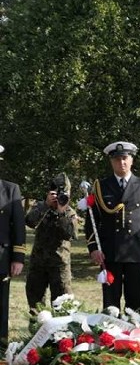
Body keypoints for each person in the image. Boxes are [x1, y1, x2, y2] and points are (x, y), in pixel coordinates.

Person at [84, 141, 140, 311]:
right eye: (117, 159)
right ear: (111, 162)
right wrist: (93, 248)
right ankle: (110, 334)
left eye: (125, 158)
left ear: (132, 160)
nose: (121, 163)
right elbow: (92, 220)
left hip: (136, 250)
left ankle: (135, 335)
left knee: (135, 300)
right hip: (110, 250)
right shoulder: (101, 186)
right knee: (111, 302)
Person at [24, 173, 78, 309]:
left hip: (60, 265)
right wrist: (46, 205)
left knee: (62, 306)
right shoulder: (40, 207)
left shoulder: (69, 212)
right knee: (35, 304)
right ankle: (37, 329)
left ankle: (60, 331)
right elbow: (30, 222)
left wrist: (61, 212)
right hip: (38, 263)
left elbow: (70, 235)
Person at [0, 144, 26, 345]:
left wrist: (17, 258)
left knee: (0, 310)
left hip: (1, 259)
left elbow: (18, 226)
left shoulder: (10, 190)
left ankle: (0, 356)